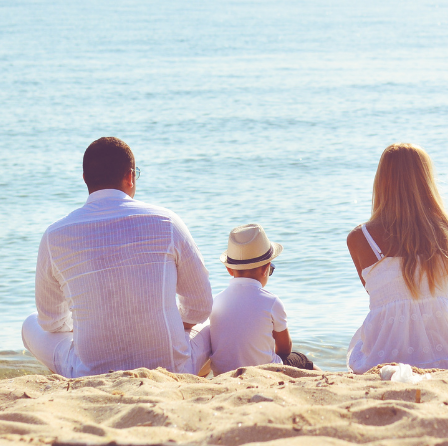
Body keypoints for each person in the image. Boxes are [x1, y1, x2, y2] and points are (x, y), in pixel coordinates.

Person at [21, 137, 213, 378]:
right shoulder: (167, 222)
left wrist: (88, 325)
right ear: (130, 176)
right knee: (214, 322)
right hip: (171, 370)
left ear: (85, 179)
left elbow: (50, 321)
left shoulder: (55, 235)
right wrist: (173, 323)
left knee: (30, 324)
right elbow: (201, 306)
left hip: (90, 374)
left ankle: (68, 383)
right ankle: (194, 381)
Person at [345, 143, 448, 374]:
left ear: (381, 181)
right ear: (426, 180)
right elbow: (447, 294)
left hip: (385, 353)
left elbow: (380, 297)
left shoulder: (360, 238)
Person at [207, 223, 314, 374]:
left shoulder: (216, 301)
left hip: (223, 374)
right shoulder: (272, 302)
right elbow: (285, 349)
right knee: (301, 360)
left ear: (229, 269)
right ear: (266, 268)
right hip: (264, 372)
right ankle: (333, 378)